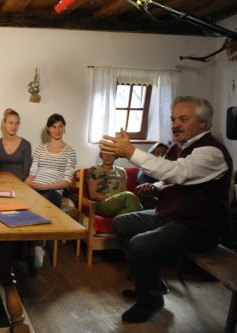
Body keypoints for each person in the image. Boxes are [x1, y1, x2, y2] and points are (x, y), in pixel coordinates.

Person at [100, 96, 233, 323]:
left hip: (198, 226)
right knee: (122, 223)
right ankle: (151, 284)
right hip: (173, 217)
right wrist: (157, 186)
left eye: (183, 119)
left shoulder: (211, 152)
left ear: (202, 123)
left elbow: (179, 173)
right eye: (173, 119)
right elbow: (177, 177)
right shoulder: (178, 148)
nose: (175, 124)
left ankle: (149, 301)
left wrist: (131, 152)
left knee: (141, 244)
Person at [25, 114, 77, 269]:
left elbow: (67, 181)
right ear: (48, 129)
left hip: (53, 192)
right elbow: (32, 174)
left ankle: (37, 247)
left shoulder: (70, 152)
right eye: (54, 126)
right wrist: (21, 188)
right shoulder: (40, 149)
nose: (57, 130)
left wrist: (45, 186)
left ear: (64, 128)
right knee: (22, 205)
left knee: (40, 204)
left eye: (60, 126)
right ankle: (29, 249)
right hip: (36, 189)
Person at [87, 152, 143, 218]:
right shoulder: (94, 170)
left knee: (124, 214)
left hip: (119, 203)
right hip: (103, 204)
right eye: (105, 153)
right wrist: (113, 199)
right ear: (101, 155)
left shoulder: (121, 171)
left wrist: (119, 202)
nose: (108, 156)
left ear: (116, 156)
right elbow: (93, 195)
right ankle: (145, 221)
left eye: (111, 154)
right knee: (128, 195)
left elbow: (124, 190)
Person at [0, 108, 32, 181]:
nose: (14, 126)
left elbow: (27, 172)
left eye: (17, 123)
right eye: (10, 123)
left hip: (20, 184)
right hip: (0, 183)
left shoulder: (26, 145)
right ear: (4, 123)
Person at [136, 142, 169, 209]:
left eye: (164, 154)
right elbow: (148, 197)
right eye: (157, 154)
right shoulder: (145, 172)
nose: (161, 156)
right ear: (151, 155)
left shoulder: (170, 171)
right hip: (153, 207)